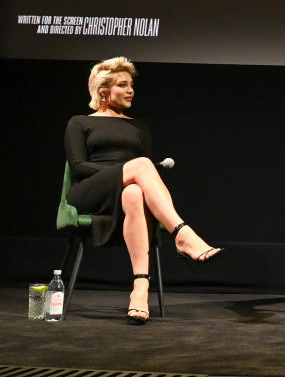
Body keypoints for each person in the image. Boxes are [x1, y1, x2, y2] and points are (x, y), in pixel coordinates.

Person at [64, 57, 223, 324]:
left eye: (131, 85)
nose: (130, 90)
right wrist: (123, 172)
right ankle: (182, 234)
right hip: (91, 192)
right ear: (104, 91)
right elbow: (78, 167)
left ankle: (140, 290)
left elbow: (145, 173)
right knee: (140, 166)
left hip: (128, 192)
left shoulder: (139, 126)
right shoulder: (80, 122)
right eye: (123, 85)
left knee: (135, 192)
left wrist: (130, 175)